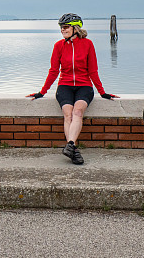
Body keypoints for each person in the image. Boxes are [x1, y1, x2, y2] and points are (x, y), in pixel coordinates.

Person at [27, 13, 117, 164]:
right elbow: (54, 71)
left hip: (84, 86)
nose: (62, 30)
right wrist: (42, 91)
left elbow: (93, 71)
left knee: (78, 112)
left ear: (75, 28)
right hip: (65, 86)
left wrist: (102, 92)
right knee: (67, 114)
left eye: (66, 27)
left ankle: (70, 146)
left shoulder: (88, 44)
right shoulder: (58, 46)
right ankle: (73, 149)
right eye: (61, 28)